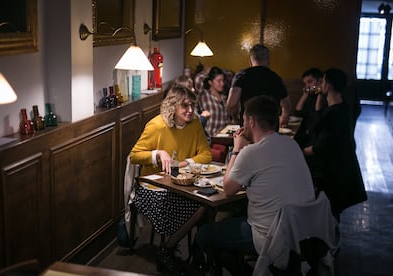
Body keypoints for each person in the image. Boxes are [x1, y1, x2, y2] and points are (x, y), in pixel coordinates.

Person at [194, 95, 316, 275]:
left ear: (251, 121)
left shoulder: (251, 152)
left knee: (205, 234)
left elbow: (228, 189)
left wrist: (236, 149)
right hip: (302, 231)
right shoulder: (292, 144)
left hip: (270, 236)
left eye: (243, 119)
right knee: (232, 220)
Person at [130, 86, 212, 275]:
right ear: (172, 106)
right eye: (185, 106)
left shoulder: (195, 124)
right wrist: (157, 153)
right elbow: (134, 155)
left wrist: (181, 164)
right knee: (201, 207)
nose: (190, 110)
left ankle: (196, 253)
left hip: (183, 185)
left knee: (207, 206)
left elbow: (206, 154)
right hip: (153, 187)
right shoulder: (157, 126)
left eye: (192, 105)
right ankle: (168, 249)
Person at [302, 68, 367, 220]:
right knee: (329, 215)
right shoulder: (340, 106)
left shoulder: (336, 114)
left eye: (323, 81)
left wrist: (299, 152)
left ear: (329, 85)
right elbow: (318, 125)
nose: (321, 84)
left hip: (333, 173)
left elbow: (320, 148)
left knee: (328, 214)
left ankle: (325, 238)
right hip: (336, 168)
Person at [226, 44, 291, 127]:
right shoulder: (275, 78)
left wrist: (235, 118)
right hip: (270, 127)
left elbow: (231, 104)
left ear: (250, 60)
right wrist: (284, 117)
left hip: (249, 126)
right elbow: (286, 104)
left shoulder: (241, 76)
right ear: (268, 60)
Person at [293, 68, 325, 149]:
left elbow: (318, 117)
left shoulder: (324, 97)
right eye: (305, 83)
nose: (307, 86)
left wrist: (319, 91)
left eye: (310, 82)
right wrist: (305, 94)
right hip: (306, 131)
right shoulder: (311, 96)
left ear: (320, 81)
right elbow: (298, 113)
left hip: (315, 136)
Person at [198, 66, 229, 136]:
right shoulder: (205, 95)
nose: (222, 84)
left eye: (223, 80)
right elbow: (198, 80)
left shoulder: (224, 97)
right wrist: (205, 73)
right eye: (219, 81)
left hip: (223, 137)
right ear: (210, 82)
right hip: (210, 138)